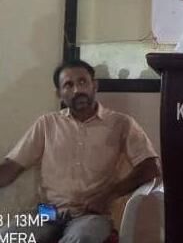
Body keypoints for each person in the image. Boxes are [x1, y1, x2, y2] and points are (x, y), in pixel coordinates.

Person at [0, 60, 160, 242]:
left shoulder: (121, 124)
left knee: (81, 238)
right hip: (47, 213)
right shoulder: (47, 124)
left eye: (83, 82)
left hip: (91, 215)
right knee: (7, 237)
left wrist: (109, 195)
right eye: (68, 85)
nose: (77, 90)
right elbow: (11, 168)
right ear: (59, 94)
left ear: (94, 86)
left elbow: (150, 167)